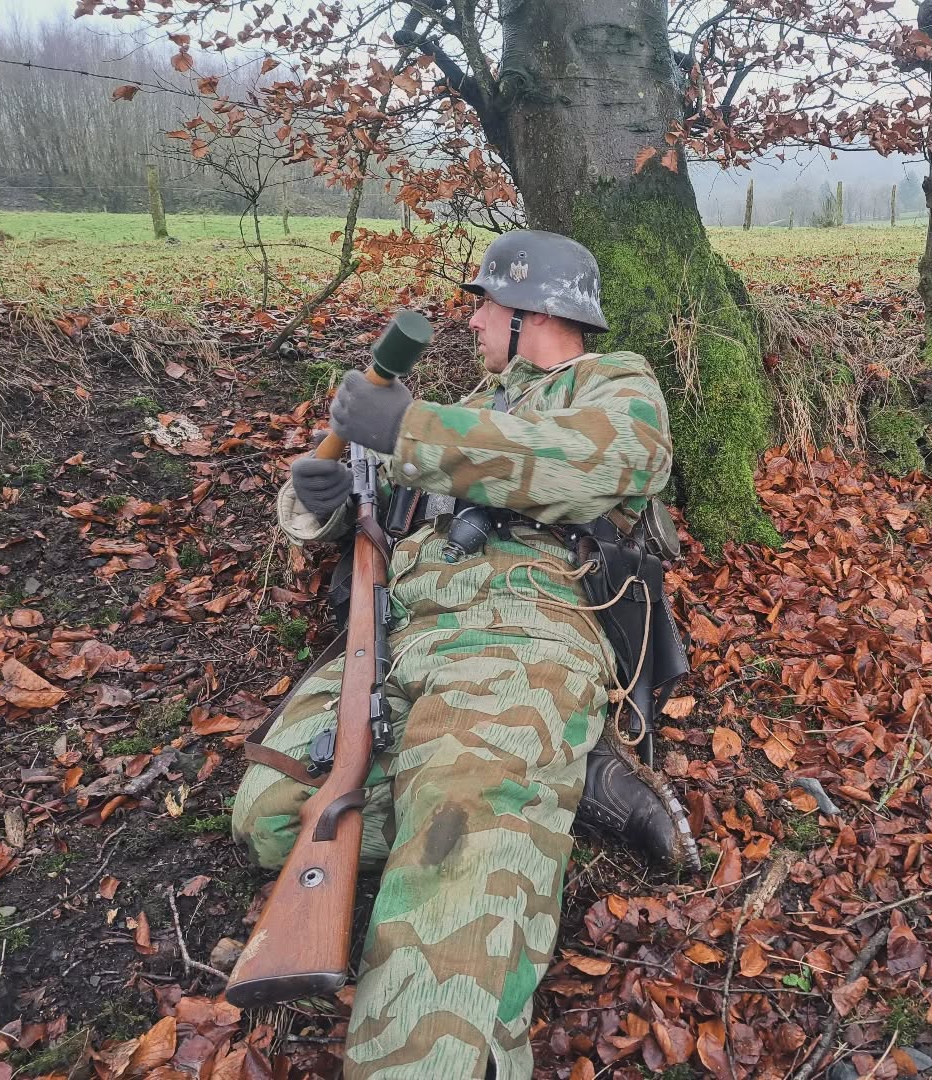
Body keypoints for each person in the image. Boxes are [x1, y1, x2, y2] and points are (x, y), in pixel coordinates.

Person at [230, 230, 696, 1079]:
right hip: (405, 630)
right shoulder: (475, 404)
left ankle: (498, 808)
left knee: (456, 835)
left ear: (530, 314)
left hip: (521, 629)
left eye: (485, 303)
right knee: (267, 813)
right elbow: (388, 522)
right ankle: (555, 780)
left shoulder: (613, 384)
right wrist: (329, 502)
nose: (473, 319)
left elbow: (604, 460)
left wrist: (407, 428)